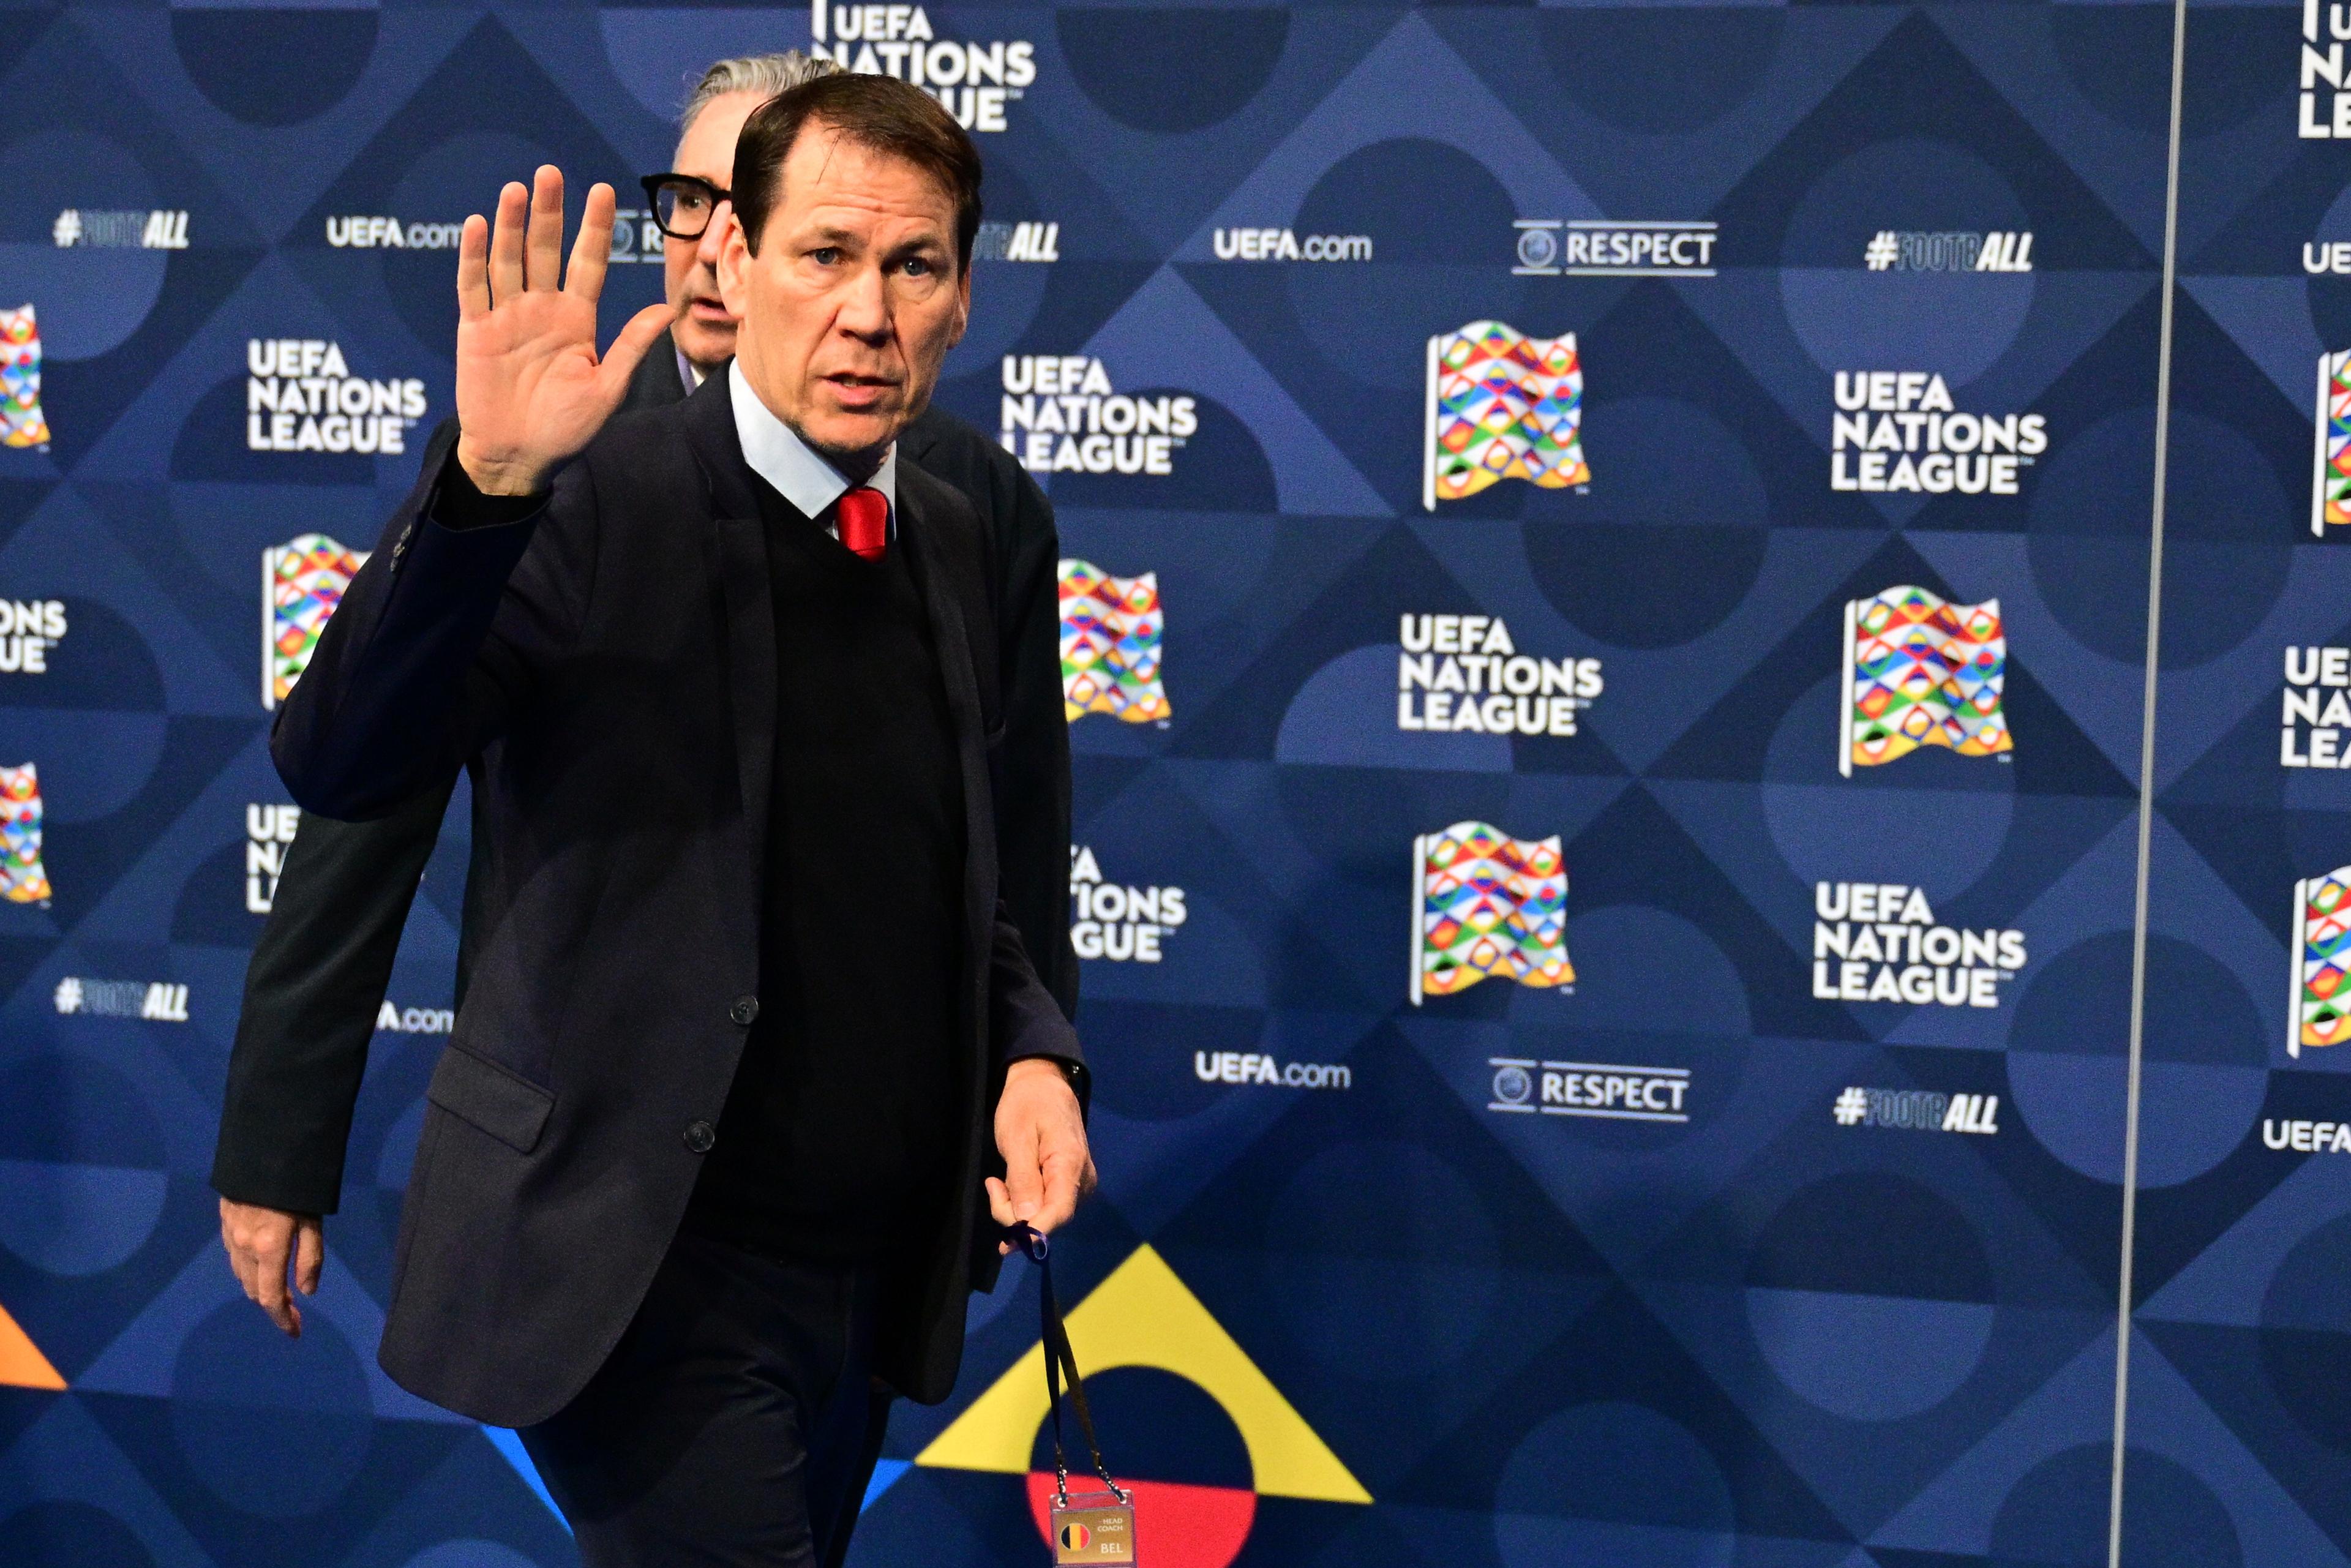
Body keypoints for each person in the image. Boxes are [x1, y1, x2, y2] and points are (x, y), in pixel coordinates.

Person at [254, 73, 1093, 1567]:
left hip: (861, 1273)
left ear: (964, 298)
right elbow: (344, 762)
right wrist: (487, 483)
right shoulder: (578, 497)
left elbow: (962, 863)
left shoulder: (955, 526)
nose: (869, 313)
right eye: (826, 256)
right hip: (636, 1269)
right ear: (735, 266)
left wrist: (1030, 1046)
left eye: (915, 268)